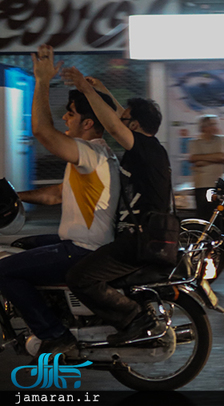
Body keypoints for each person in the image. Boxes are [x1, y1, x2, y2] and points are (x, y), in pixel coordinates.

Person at [0, 45, 120, 356]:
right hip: (78, 243)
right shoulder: (96, 156)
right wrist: (13, 196)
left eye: (70, 112)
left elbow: (41, 131)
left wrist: (42, 81)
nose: (64, 117)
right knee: (20, 247)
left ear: (88, 123)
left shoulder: (89, 152)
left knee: (4, 271)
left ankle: (54, 334)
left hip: (81, 249)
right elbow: (55, 195)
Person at [60, 66, 172, 346]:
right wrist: (105, 91)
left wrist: (86, 90)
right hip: (140, 237)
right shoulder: (149, 147)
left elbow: (113, 124)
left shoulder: (146, 149)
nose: (119, 122)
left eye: (126, 120)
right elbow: (123, 117)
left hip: (142, 240)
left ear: (133, 126)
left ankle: (134, 317)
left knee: (80, 277)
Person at [189, 115, 224, 219]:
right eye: (212, 124)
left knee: (217, 217)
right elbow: (193, 158)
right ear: (204, 127)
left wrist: (202, 159)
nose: (215, 127)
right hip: (201, 185)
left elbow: (222, 157)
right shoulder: (195, 142)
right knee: (203, 216)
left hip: (217, 185)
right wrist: (214, 157)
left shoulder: (221, 140)